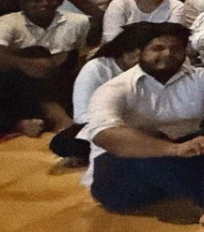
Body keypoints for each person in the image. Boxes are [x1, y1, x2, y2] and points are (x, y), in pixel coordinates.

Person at [81, 23, 204, 229]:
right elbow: (105, 135)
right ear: (139, 53)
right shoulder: (115, 88)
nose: (168, 54)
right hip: (121, 177)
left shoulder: (202, 77)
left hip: (180, 159)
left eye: (175, 49)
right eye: (158, 48)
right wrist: (174, 149)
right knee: (144, 141)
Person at [0, 0, 87, 135]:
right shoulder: (1, 23)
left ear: (60, 2)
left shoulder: (79, 22)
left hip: (56, 76)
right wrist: (28, 65)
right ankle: (58, 119)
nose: (44, 3)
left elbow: (77, 55)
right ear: (23, 3)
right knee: (36, 54)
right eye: (37, 0)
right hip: (8, 83)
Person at [53, 23, 160, 165]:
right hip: (111, 127)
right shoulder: (96, 69)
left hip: (153, 124)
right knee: (65, 142)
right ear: (133, 54)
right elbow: (82, 116)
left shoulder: (160, 67)